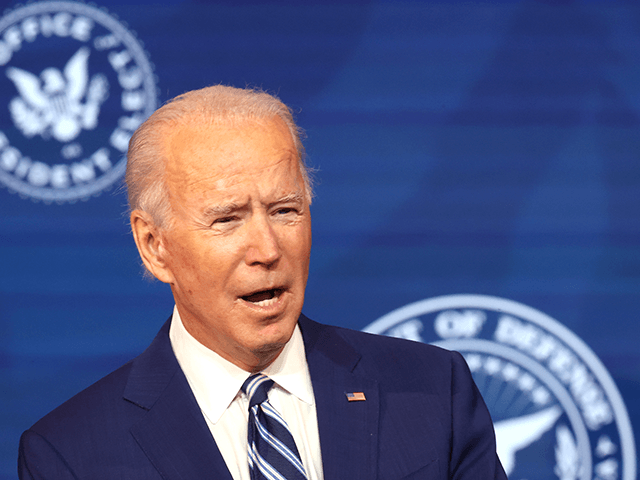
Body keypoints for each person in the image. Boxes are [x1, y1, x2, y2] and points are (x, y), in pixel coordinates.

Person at [18, 85, 507, 479]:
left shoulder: (431, 392)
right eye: (227, 219)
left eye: (285, 211)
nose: (268, 250)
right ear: (154, 245)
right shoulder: (70, 456)